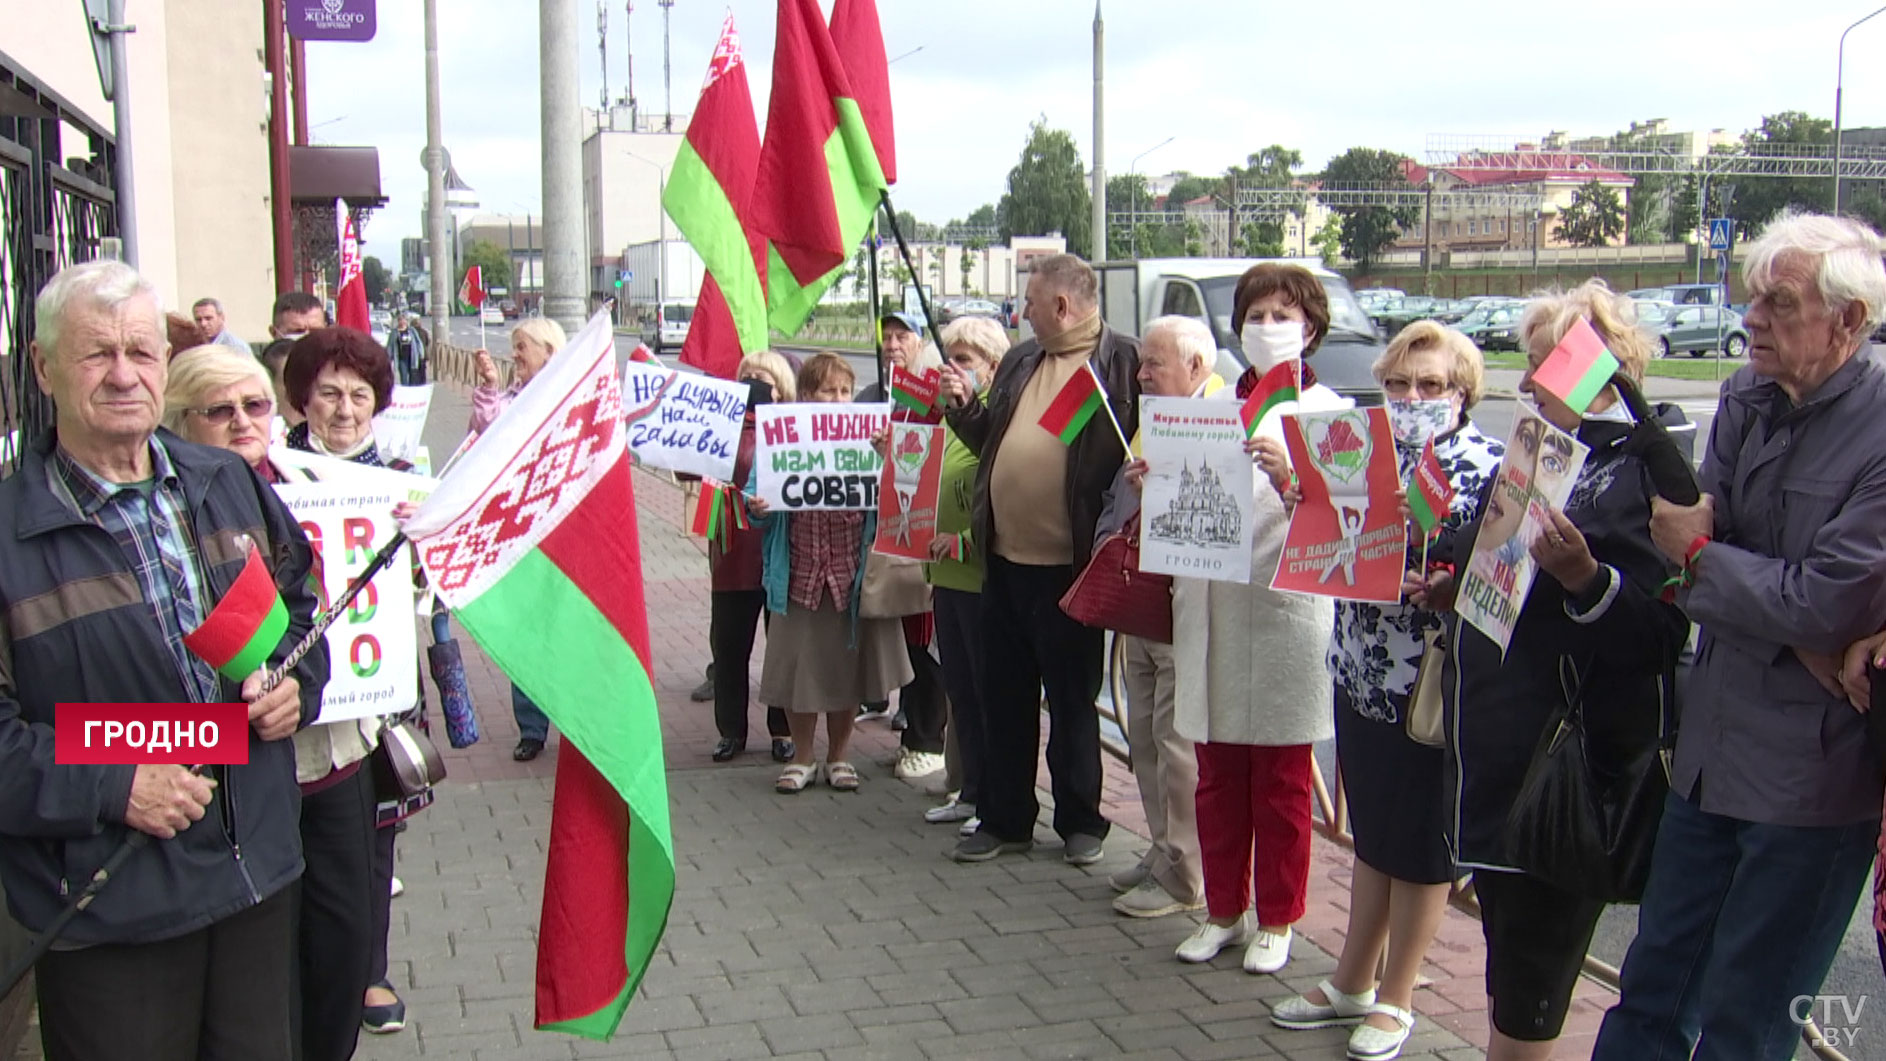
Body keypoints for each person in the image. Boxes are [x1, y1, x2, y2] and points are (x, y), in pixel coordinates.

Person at [0, 260, 323, 1060]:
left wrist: (294, 684)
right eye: (96, 354)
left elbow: (300, 609)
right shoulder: (7, 532)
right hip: (110, 905)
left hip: (254, 878)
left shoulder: (225, 481)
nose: (123, 375)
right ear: (43, 368)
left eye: (141, 353)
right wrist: (120, 778)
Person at [1596, 213, 1886, 1060]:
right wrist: (1727, 576)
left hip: (1811, 782)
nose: (1752, 317)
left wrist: (1705, 558)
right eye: (1752, 297)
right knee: (1648, 998)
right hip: (1709, 757)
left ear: (1849, 322)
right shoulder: (1744, 398)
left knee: (1746, 1027)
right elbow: (1692, 570)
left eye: (1780, 302)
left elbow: (1826, 601)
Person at [1429, 280, 1688, 1061]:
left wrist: (1588, 581)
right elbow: (1491, 555)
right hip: (1490, 747)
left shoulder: (1645, 462)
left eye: (1556, 360)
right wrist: (1455, 582)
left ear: (1605, 364)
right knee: (1510, 968)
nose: (1534, 379)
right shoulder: (1536, 448)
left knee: (1532, 982)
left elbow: (1660, 626)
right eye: (1533, 360)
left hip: (1563, 764)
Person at [1260, 321, 1505, 1060]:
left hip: (1427, 680)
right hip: (1361, 665)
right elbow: (1329, 535)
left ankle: (1399, 995)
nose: (1412, 398)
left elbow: (1488, 568)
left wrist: (1443, 578)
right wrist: (1296, 491)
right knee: (1370, 831)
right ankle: (1352, 979)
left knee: (1421, 843)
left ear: (1462, 393)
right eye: (1399, 384)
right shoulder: (1360, 452)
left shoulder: (1483, 463)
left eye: (1430, 386)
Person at [162, 344, 379, 1061]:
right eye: (218, 410)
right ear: (176, 422)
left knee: (344, 949)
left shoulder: (318, 484)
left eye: (254, 406)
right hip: (229, 786)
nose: (241, 422)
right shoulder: (164, 519)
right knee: (266, 975)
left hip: (332, 760)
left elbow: (303, 619)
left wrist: (305, 685)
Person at [1166, 263, 1345, 978]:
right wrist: (1160, 478)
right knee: (1216, 776)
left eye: (1284, 312)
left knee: (1280, 778)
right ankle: (1222, 909)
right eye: (1257, 312)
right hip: (1213, 604)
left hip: (1283, 611)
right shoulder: (1209, 404)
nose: (1269, 325)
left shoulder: (1327, 409)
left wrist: (1290, 480)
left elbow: (1349, 525)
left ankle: (1278, 915)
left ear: (1310, 326)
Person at [939, 253, 1139, 866]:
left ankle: (1080, 820)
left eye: (1030, 300)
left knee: (1074, 700)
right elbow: (993, 441)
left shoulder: (1120, 361)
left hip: (1069, 567)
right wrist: (964, 409)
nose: (1021, 310)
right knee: (1005, 696)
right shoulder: (1025, 360)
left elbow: (1148, 437)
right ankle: (1006, 819)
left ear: (1062, 305)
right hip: (1003, 561)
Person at [281, 327, 438, 1035]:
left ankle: (366, 969)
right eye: (329, 393)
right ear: (303, 398)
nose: (344, 409)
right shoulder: (268, 476)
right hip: (293, 694)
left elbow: (435, 588)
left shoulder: (404, 473)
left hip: (376, 692)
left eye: (359, 394)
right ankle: (292, 969)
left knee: (375, 837)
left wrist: (424, 539)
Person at [749, 353, 914, 793]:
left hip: (849, 575)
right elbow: (755, 504)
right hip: (799, 576)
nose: (839, 399)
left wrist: (886, 458)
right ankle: (803, 757)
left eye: (845, 391)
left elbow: (899, 500)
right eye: (828, 390)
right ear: (806, 396)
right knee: (799, 673)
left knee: (847, 672)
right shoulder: (780, 441)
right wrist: (758, 506)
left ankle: (839, 757)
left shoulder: (869, 442)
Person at [1103, 316, 1222, 920]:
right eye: (1143, 362)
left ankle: (1186, 872)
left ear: (1196, 368)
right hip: (1144, 603)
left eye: (1154, 363)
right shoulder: (1156, 421)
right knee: (1145, 736)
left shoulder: (1224, 417)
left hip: (1187, 610)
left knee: (1178, 746)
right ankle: (1161, 849)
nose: (1141, 373)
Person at [920, 316, 1009, 834]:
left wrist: (965, 542)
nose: (951, 370)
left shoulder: (995, 416)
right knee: (961, 692)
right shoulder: (948, 417)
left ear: (993, 367)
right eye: (947, 359)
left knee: (986, 693)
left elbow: (1004, 495)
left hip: (980, 578)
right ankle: (972, 791)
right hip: (947, 580)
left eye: (965, 361)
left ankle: (993, 797)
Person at [470, 317, 567, 760]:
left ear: (549, 351)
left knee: (567, 632)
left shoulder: (570, 398)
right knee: (525, 635)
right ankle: (531, 727)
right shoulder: (510, 399)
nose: (515, 356)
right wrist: (489, 386)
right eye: (513, 347)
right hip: (518, 535)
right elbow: (486, 436)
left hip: (564, 536)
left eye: (522, 347)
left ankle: (575, 722)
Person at [857, 311, 949, 775]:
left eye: (902, 336)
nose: (892, 344)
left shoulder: (932, 391)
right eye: (886, 337)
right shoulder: (901, 395)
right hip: (905, 529)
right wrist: (886, 450)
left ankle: (929, 741)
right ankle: (917, 733)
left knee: (928, 639)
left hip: (932, 534)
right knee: (912, 639)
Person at [706, 351, 798, 764]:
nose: (754, 384)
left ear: (781, 389)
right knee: (729, 649)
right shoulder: (719, 428)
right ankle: (731, 731)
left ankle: (783, 730)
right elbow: (689, 468)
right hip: (732, 557)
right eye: (747, 377)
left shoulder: (794, 429)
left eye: (764, 379)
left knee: (781, 648)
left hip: (778, 555)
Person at [385, 313, 426, 386]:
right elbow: (390, 345)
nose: (402, 322)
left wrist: (421, 353)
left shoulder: (411, 330)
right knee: (404, 377)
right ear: (398, 321)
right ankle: (405, 390)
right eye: (400, 320)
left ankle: (411, 391)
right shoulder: (394, 332)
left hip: (412, 356)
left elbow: (418, 342)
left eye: (404, 320)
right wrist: (388, 358)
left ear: (406, 321)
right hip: (401, 358)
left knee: (413, 376)